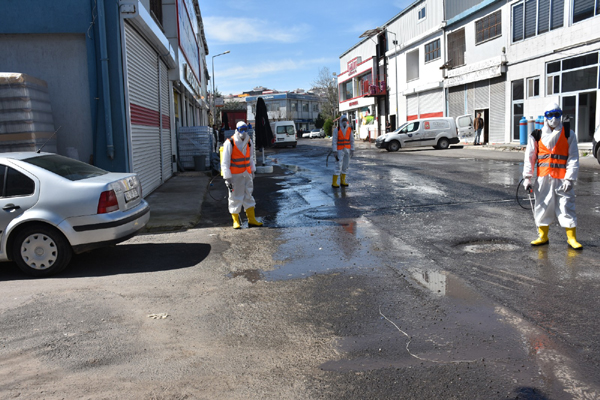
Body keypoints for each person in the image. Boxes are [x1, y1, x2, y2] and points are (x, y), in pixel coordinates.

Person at [523, 102, 581, 249]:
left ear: (560, 115)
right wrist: (527, 177)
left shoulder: (568, 133)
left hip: (562, 179)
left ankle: (571, 238)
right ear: (545, 117)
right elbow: (530, 157)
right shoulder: (537, 135)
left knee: (566, 207)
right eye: (550, 115)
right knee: (542, 206)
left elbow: (573, 157)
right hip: (543, 179)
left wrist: (570, 178)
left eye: (556, 114)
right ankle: (542, 236)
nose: (553, 118)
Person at [221, 121, 263, 229]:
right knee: (235, 197)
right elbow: (225, 162)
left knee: (248, 195)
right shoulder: (230, 143)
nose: (243, 132)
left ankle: (252, 220)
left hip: (246, 174)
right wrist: (227, 177)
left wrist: (252, 171)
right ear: (237, 129)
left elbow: (251, 158)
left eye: (245, 129)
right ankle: (236, 221)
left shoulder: (249, 142)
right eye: (241, 129)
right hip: (235, 176)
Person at [331, 115, 355, 188]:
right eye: (343, 120)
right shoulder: (337, 130)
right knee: (338, 165)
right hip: (339, 150)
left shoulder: (349, 129)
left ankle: (342, 181)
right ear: (340, 121)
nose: (344, 122)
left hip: (347, 150)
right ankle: (334, 182)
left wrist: (352, 149)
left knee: (345, 165)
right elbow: (334, 141)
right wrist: (334, 151)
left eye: (345, 120)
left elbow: (352, 140)